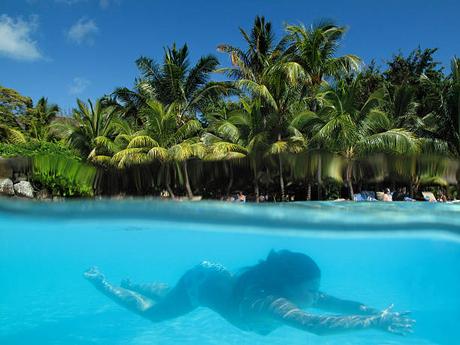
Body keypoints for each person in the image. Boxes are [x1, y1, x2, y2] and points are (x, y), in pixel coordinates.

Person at [84, 250, 414, 336]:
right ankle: (104, 284)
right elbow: (314, 325)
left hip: (212, 282)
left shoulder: (296, 293)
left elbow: (340, 303)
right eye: (311, 289)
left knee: (169, 294)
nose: (317, 296)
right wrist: (373, 323)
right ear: (285, 286)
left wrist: (377, 311)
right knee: (154, 315)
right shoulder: (271, 302)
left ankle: (132, 283)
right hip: (201, 288)